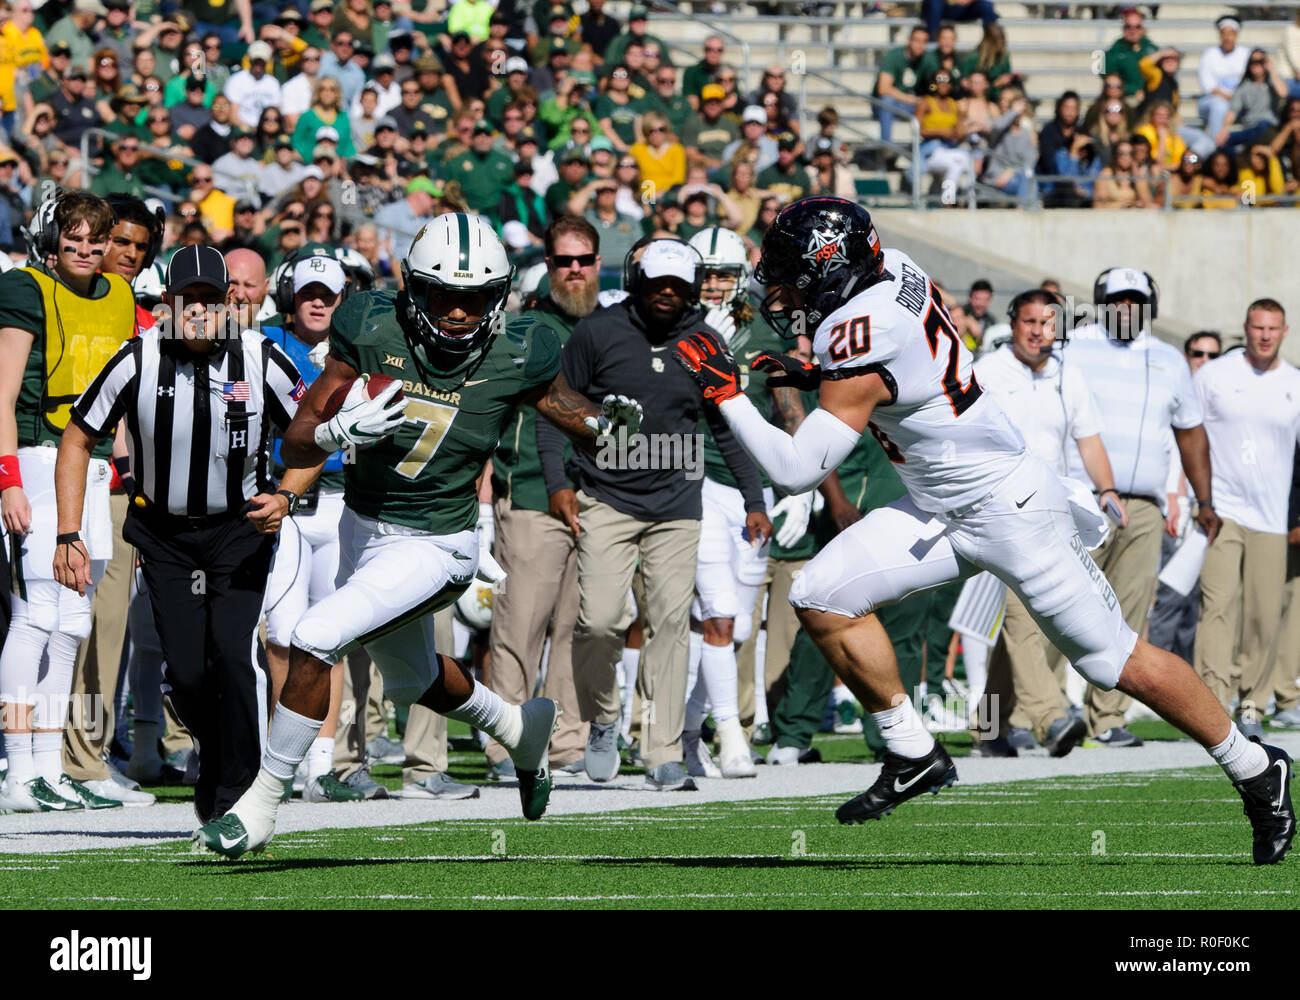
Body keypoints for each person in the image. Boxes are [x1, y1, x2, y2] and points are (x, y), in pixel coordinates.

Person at [675, 197, 1296, 868]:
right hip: (941, 510)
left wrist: (725, 393)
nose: (782, 288)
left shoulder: (857, 329)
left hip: (1010, 510)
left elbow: (796, 468)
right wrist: (819, 373)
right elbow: (897, 369)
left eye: (795, 274)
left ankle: (1256, 766)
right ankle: (912, 750)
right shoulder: (898, 270)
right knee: (822, 594)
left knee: (1115, 662)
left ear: (832, 272)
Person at [192, 214, 644, 857]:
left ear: (500, 295)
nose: (459, 313)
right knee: (413, 683)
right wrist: (338, 434)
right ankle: (520, 729)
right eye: (445, 295)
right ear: (413, 287)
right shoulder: (371, 326)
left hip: (439, 544)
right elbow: (294, 436)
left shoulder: (522, 347)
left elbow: (569, 411)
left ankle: (261, 805)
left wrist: (611, 427)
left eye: (476, 298)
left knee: (313, 635)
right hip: (362, 526)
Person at [52, 244, 314, 824]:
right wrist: (68, 532)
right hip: (163, 531)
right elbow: (76, 438)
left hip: (240, 527)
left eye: (209, 299)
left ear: (231, 302)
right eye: (186, 299)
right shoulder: (136, 358)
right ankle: (218, 753)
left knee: (232, 651)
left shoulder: (261, 356)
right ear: (166, 304)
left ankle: (238, 799)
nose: (198, 310)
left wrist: (288, 494)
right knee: (189, 673)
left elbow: (312, 433)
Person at [537, 238, 766, 792]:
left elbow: (725, 425)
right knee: (598, 622)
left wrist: (754, 497)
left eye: (678, 287)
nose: (667, 295)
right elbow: (554, 405)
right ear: (637, 282)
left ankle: (662, 750)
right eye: (658, 285)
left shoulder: (704, 340)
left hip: (677, 505)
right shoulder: (599, 331)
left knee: (670, 625)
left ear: (690, 291)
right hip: (606, 498)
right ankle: (604, 717)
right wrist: (556, 484)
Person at [0, 193, 136, 813]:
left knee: (73, 619)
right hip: (35, 455)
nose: (85, 249)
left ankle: (49, 765)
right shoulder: (26, 289)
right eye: (72, 238)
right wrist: (8, 480)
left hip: (94, 464)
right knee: (34, 616)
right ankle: (18, 767)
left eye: (95, 238)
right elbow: (2, 395)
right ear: (51, 242)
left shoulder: (120, 296)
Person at [971, 289, 1124, 756]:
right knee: (1024, 613)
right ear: (1013, 323)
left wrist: (1108, 491)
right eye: (1030, 322)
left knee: (1034, 614)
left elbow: (1089, 440)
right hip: (1000, 509)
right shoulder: (984, 374)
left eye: (1048, 323)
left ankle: (988, 726)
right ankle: (1050, 716)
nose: (1039, 332)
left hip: (1052, 511)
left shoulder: (1068, 375)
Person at [681, 226, 801, 779]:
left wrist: (798, 486)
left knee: (741, 629)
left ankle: (694, 727)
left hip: (752, 490)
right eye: (703, 274)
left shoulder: (761, 328)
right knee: (716, 615)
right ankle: (705, 735)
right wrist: (700, 341)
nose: (711, 285)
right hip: (697, 478)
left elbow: (786, 408)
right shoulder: (674, 327)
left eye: (722, 275)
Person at [484, 216, 601, 780]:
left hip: (600, 498)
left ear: (598, 265)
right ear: (548, 267)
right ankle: (505, 746)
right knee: (518, 628)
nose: (574, 270)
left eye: (583, 261)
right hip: (530, 490)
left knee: (578, 630)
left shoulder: (609, 329)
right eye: (563, 261)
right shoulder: (521, 329)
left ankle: (567, 744)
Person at [59, 194, 164, 809]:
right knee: (68, 625)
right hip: (70, 475)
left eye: (136, 246)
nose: (125, 254)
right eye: (117, 241)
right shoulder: (65, 301)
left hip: (124, 490)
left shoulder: (142, 317)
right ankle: (75, 756)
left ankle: (88, 750)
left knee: (108, 630)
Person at [1194, 300, 1300, 737]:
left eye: (1272, 329)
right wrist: (1195, 499)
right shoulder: (1214, 375)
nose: (1264, 335)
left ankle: (1253, 703)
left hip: (1272, 517)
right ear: (1245, 328)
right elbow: (1189, 435)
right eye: (1257, 327)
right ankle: (1214, 702)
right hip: (1222, 510)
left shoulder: (1295, 383)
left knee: (1263, 613)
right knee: (1216, 606)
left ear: (1284, 332)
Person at [1147, 332, 1221, 663]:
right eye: (1198, 353)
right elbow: (1175, 450)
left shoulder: (1217, 398)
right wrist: (1174, 496)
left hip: (1204, 508)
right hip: (1173, 506)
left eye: (1212, 355)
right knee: (1169, 597)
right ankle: (1157, 674)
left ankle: (1184, 676)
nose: (1204, 361)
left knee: (1192, 601)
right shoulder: (1171, 389)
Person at [1198, 15, 1251, 141]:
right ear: (1220, 35)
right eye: (1224, 33)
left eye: (1231, 33)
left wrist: (1236, 100)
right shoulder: (1209, 54)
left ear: (1236, 35)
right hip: (1212, 101)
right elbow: (1209, 87)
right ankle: (1216, 146)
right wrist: (1231, 98)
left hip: (1238, 103)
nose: (1227, 37)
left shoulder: (1245, 54)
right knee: (1219, 105)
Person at [873, 23, 927, 147]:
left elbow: (935, 84)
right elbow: (883, 89)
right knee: (887, 100)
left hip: (911, 106)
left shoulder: (926, 59)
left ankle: (930, 144)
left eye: (924, 41)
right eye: (917, 40)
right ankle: (886, 146)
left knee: (932, 103)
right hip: (884, 106)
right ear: (909, 41)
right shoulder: (893, 56)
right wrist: (910, 99)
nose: (920, 45)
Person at [1106, 7, 1157, 99]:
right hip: (1125, 99)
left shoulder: (1150, 47)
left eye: (1137, 27)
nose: (1133, 31)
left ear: (1142, 29)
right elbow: (1109, 80)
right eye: (1128, 26)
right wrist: (1133, 90)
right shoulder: (1115, 51)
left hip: (1151, 98)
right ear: (1123, 28)